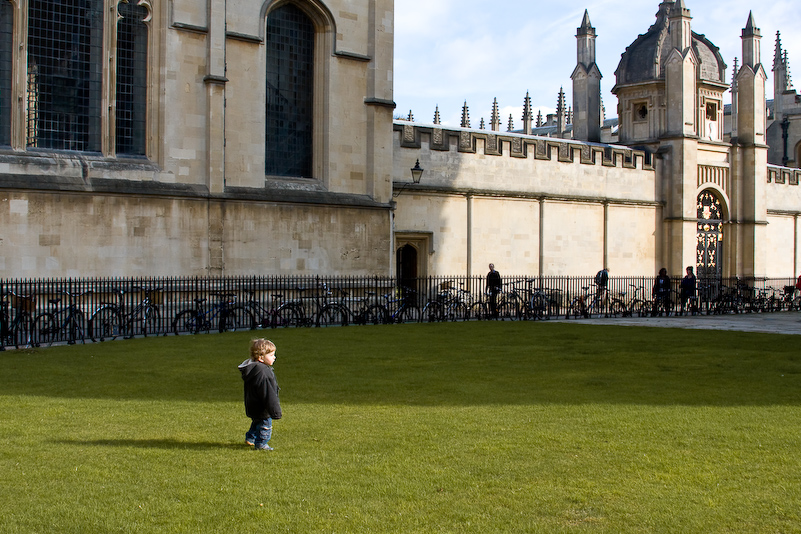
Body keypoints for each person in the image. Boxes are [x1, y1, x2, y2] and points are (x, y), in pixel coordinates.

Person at [238, 338, 282, 451]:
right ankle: (262, 444)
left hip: (252, 403)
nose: (274, 357)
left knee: (256, 421)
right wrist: (275, 411)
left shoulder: (253, 369)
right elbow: (268, 394)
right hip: (262, 406)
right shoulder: (263, 372)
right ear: (261, 357)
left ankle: (250, 438)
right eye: (271, 355)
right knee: (265, 425)